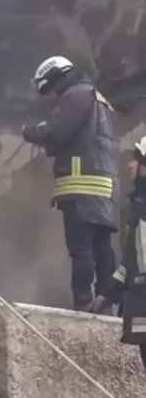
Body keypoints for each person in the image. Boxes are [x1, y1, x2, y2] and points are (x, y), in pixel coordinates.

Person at [21, 55, 119, 310]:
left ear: (57, 77)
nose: (53, 95)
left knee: (81, 247)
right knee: (101, 247)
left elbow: (56, 131)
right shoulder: (99, 99)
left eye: (51, 88)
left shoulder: (75, 95)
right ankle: (106, 302)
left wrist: (30, 130)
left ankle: (84, 303)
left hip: (80, 185)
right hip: (104, 186)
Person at [91, 135, 146, 376]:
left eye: (137, 160)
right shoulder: (138, 207)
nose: (130, 165)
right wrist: (108, 293)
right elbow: (131, 262)